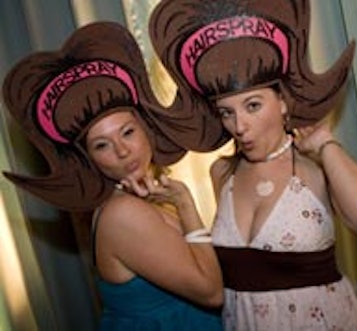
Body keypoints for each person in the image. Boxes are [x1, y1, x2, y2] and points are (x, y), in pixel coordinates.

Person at [147, 0, 357, 330]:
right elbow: (225, 270)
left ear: (282, 102)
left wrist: (325, 145)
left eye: (252, 106)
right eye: (227, 112)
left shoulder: (315, 167)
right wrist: (183, 205)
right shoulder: (223, 173)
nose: (239, 126)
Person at [1, 22, 224, 330]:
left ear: (146, 129)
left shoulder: (143, 199)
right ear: (88, 158)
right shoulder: (122, 212)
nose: (122, 151)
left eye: (128, 132)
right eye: (101, 145)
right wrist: (186, 204)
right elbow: (211, 292)